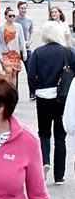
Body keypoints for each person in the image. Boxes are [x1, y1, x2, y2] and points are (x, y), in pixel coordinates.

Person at [26, 21, 74, 184]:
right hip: (62, 97)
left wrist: (35, 89)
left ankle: (45, 161)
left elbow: (31, 75)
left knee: (44, 132)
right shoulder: (68, 52)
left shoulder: (38, 53)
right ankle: (59, 175)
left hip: (43, 96)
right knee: (60, 135)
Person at [0, 8, 26, 85]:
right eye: (10, 16)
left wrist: (24, 52)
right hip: (5, 54)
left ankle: (13, 93)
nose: (12, 17)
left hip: (15, 54)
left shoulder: (18, 26)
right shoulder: (1, 27)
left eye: (13, 16)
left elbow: (22, 40)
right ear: (5, 16)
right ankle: (7, 92)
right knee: (8, 72)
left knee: (14, 74)